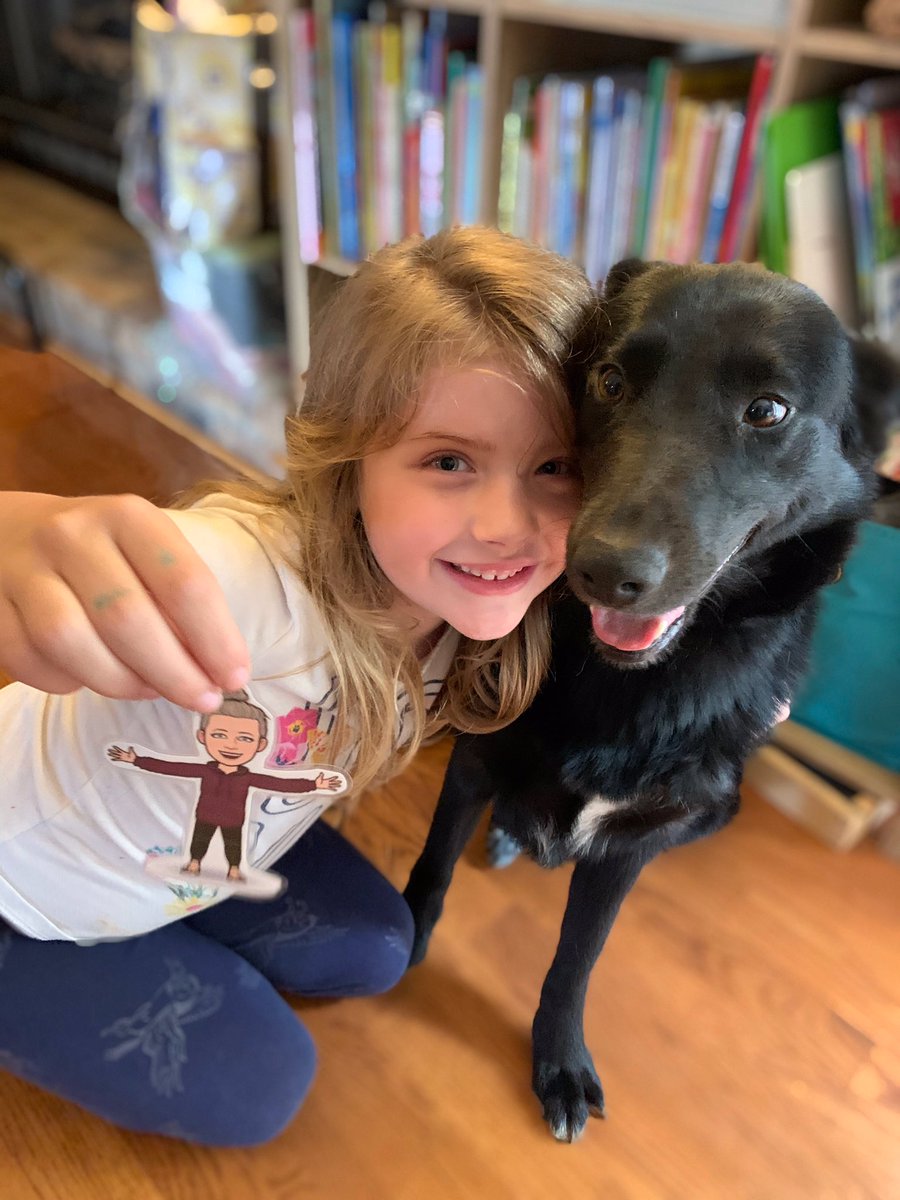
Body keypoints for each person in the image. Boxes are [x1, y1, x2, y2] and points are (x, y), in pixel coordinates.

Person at [0, 226, 600, 1145]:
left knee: (380, 947)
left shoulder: (477, 610)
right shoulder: (248, 583)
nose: (507, 526)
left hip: (193, 854)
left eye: (554, 467)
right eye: (449, 461)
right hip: (22, 886)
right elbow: (164, 560)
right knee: (266, 1087)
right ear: (349, 454)